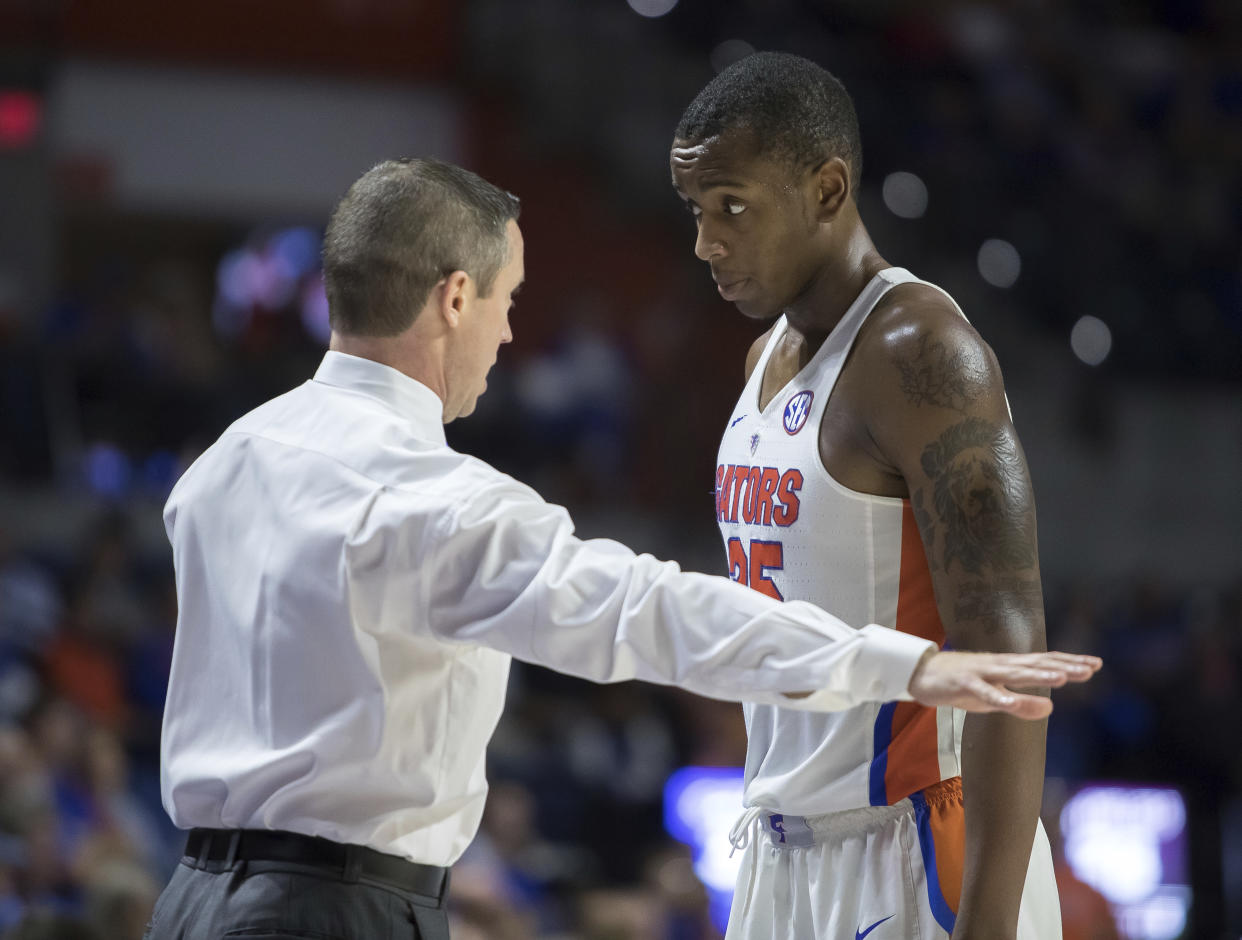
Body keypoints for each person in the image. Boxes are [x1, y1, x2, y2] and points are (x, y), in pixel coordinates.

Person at [145, 158, 1098, 940]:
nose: (512, 330)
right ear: (454, 297)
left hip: (187, 900)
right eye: (508, 300)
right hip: (336, 911)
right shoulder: (432, 502)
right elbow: (649, 613)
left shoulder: (221, 466)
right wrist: (906, 664)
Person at [671, 53, 1067, 939]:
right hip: (778, 848)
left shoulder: (921, 352)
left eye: (732, 205)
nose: (707, 241)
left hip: (918, 844)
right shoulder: (762, 359)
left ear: (827, 187)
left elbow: (1007, 632)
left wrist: (989, 919)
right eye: (696, 211)